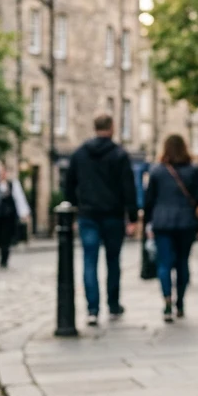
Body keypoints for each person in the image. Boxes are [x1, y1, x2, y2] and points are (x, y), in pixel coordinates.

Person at [63, 113, 139, 325]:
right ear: (112, 127)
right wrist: (132, 217)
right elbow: (128, 188)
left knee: (89, 261)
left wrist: (73, 209)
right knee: (113, 261)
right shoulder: (119, 155)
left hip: (88, 215)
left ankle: (92, 309)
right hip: (113, 215)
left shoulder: (79, 154)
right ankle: (113, 305)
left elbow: (69, 185)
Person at [143, 134, 198, 323]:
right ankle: (180, 303)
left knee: (164, 264)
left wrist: (148, 222)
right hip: (186, 222)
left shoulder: (156, 171)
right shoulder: (193, 170)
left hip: (162, 223)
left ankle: (167, 301)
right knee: (182, 263)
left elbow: (149, 201)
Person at [0, 163, 31, 269]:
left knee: (6, 238)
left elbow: (19, 198)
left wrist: (24, 213)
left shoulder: (12, 184)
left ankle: (4, 258)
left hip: (9, 217)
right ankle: (2, 252)